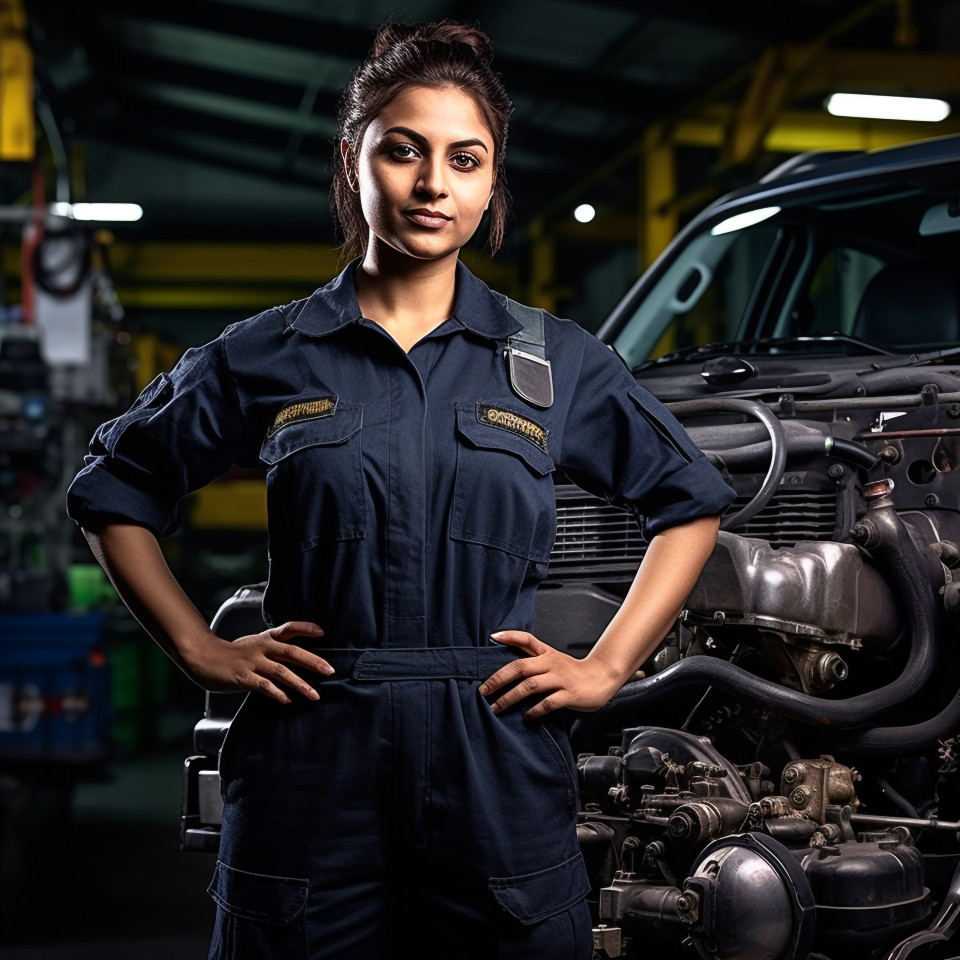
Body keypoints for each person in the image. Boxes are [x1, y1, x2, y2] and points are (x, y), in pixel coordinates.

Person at [66, 18, 736, 960]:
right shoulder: (268, 352)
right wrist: (197, 648)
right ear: (354, 160)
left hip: (494, 753)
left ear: (492, 180)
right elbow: (114, 489)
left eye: (465, 159)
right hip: (312, 753)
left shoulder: (553, 361)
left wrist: (606, 668)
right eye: (404, 151)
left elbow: (688, 500)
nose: (433, 184)